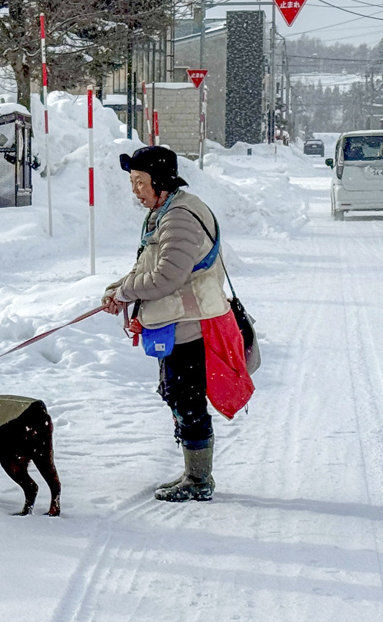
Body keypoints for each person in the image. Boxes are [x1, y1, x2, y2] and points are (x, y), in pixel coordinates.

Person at [101, 146, 240, 502]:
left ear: (160, 181)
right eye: (132, 182)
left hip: (190, 324)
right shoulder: (166, 210)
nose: (135, 190)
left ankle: (199, 480)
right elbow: (149, 264)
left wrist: (127, 292)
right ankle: (194, 472)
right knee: (177, 395)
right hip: (176, 321)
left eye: (140, 182)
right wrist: (120, 288)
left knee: (187, 399)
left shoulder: (179, 217)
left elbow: (167, 276)